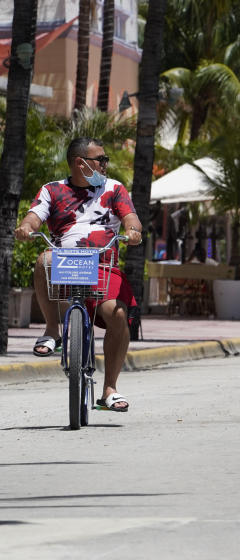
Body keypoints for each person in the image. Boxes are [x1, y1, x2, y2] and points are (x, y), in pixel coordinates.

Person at [14, 137, 143, 412]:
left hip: (103, 268)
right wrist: (26, 228)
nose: (106, 165)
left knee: (118, 314)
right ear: (80, 163)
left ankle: (109, 389)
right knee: (44, 259)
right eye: (101, 160)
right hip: (66, 263)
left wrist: (133, 231)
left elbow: (131, 217)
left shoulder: (114, 189)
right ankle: (52, 330)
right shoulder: (52, 190)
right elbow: (34, 216)